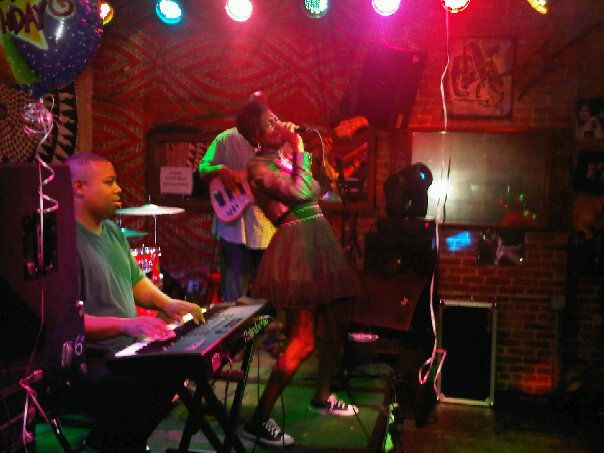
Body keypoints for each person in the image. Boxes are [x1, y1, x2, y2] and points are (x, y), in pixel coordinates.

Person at [236, 100, 360, 447]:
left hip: (319, 240)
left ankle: (322, 395)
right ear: (257, 136)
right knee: (303, 339)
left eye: (277, 117)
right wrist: (299, 148)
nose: (279, 124)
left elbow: (318, 188)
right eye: (270, 123)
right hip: (298, 247)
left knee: (336, 325)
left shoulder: (285, 158)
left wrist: (306, 156)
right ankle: (258, 419)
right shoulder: (258, 165)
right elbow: (301, 192)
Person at [66, 152, 204, 452]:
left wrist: (167, 303)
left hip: (128, 351)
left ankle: (115, 440)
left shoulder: (112, 231)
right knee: (158, 381)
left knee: (179, 369)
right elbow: (68, 324)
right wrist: (128, 325)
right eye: (109, 182)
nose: (119, 189)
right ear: (78, 187)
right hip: (95, 361)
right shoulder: (65, 243)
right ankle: (109, 440)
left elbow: (136, 281)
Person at [198, 92, 276, 302]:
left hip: (268, 230)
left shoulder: (278, 141)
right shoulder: (226, 138)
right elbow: (202, 168)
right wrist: (217, 170)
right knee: (234, 301)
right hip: (234, 230)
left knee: (267, 298)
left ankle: (262, 324)